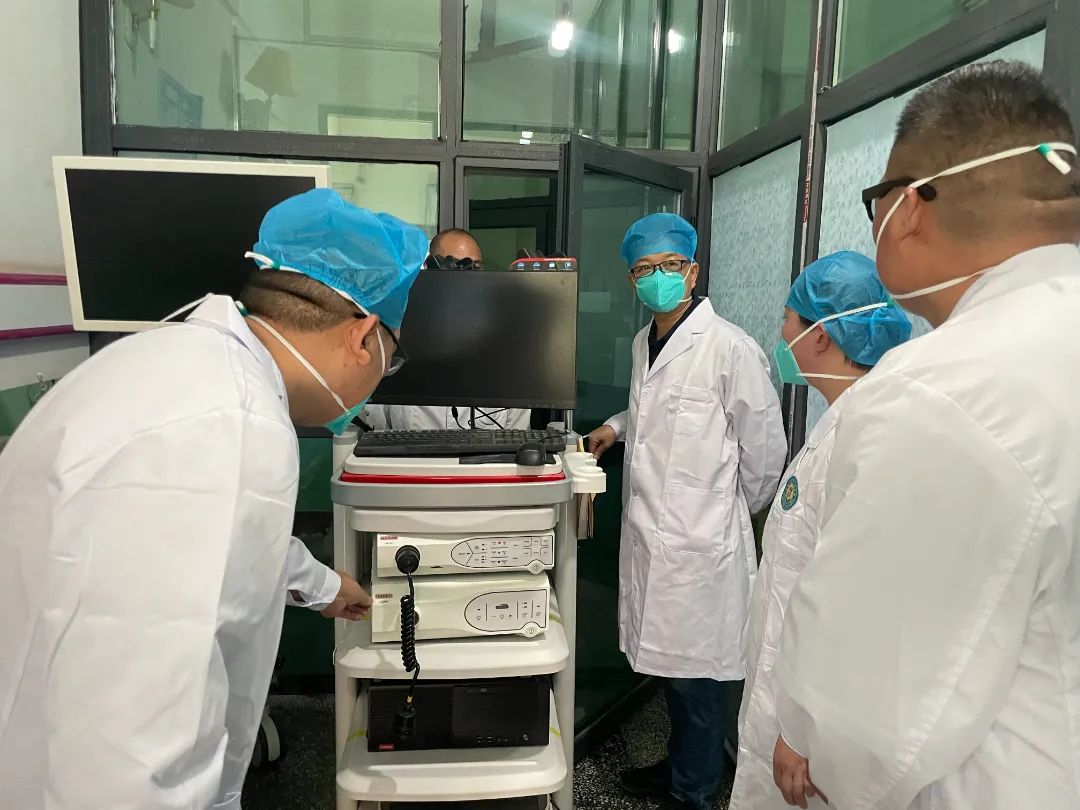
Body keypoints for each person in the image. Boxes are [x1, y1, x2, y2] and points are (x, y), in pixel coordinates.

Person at [0, 188, 427, 809]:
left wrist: (321, 586)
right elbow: (138, 742)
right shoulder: (233, 423)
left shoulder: (169, 361)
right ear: (362, 336)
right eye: (390, 360)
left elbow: (206, 540)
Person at [771, 61, 1080, 810]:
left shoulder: (946, 391)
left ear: (907, 207)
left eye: (875, 200)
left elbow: (874, 712)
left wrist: (810, 738)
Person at [588, 212, 787, 810]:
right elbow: (655, 410)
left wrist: (719, 514)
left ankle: (694, 792)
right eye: (644, 270)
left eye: (670, 266)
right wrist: (616, 427)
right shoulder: (641, 343)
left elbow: (764, 454)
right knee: (671, 673)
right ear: (632, 280)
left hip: (702, 548)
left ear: (693, 271)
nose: (658, 278)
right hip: (653, 538)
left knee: (698, 680)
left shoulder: (730, 348)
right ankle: (680, 767)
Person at [729, 251, 911, 810]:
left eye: (787, 319)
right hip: (784, 690)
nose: (781, 334)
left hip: (810, 723)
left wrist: (801, 728)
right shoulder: (837, 421)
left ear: (822, 337)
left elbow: (854, 604)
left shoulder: (865, 437)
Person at [366, 227, 531, 432]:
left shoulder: (505, 342)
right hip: (411, 453)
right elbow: (377, 426)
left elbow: (517, 432)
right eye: (455, 265)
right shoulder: (398, 336)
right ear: (431, 267)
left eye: (475, 267)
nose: (466, 277)